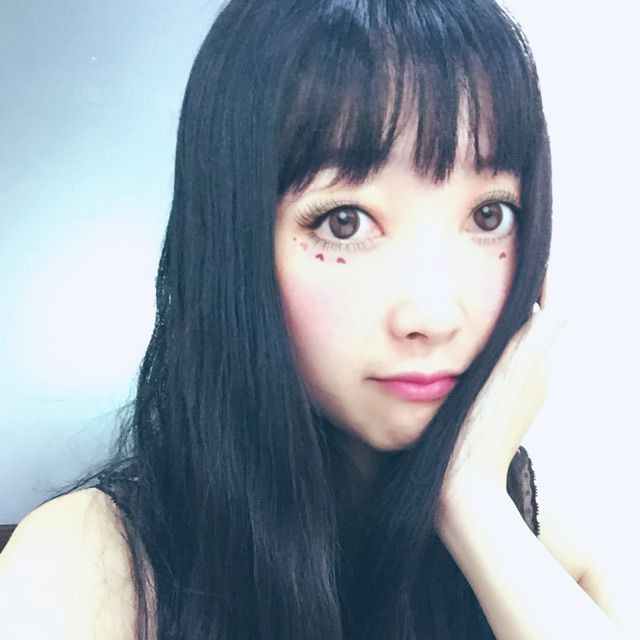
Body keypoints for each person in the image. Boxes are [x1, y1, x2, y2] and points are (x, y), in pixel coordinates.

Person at [0, 1, 637, 638]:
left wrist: (473, 507)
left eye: (489, 215)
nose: (435, 315)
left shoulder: (565, 547)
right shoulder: (84, 570)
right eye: (345, 222)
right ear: (234, 240)